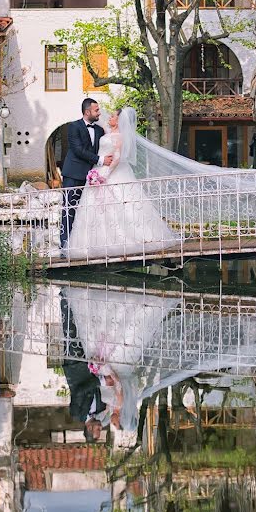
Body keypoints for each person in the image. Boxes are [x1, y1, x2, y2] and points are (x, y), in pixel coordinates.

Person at [66, 107, 178, 259]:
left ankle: (130, 238)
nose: (109, 117)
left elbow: (117, 157)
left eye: (112, 116)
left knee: (122, 204)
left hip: (112, 172)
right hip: (98, 169)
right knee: (95, 208)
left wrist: (104, 175)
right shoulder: (106, 132)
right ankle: (91, 244)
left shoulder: (120, 136)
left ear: (119, 120)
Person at [59, 98, 113, 253]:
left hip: (92, 177)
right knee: (69, 209)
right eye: (96, 110)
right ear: (87, 111)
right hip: (73, 174)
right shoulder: (73, 127)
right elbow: (78, 150)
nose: (99, 113)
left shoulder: (99, 130)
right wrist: (101, 160)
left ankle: (85, 246)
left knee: (88, 211)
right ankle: (64, 246)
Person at [60, 291, 109, 442]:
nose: (101, 427)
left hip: (75, 366)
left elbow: (80, 390)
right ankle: (81, 297)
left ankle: (65, 298)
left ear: (89, 428)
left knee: (70, 331)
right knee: (86, 330)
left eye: (97, 430)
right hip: (91, 363)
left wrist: (101, 381)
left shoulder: (76, 413)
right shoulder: (101, 408)